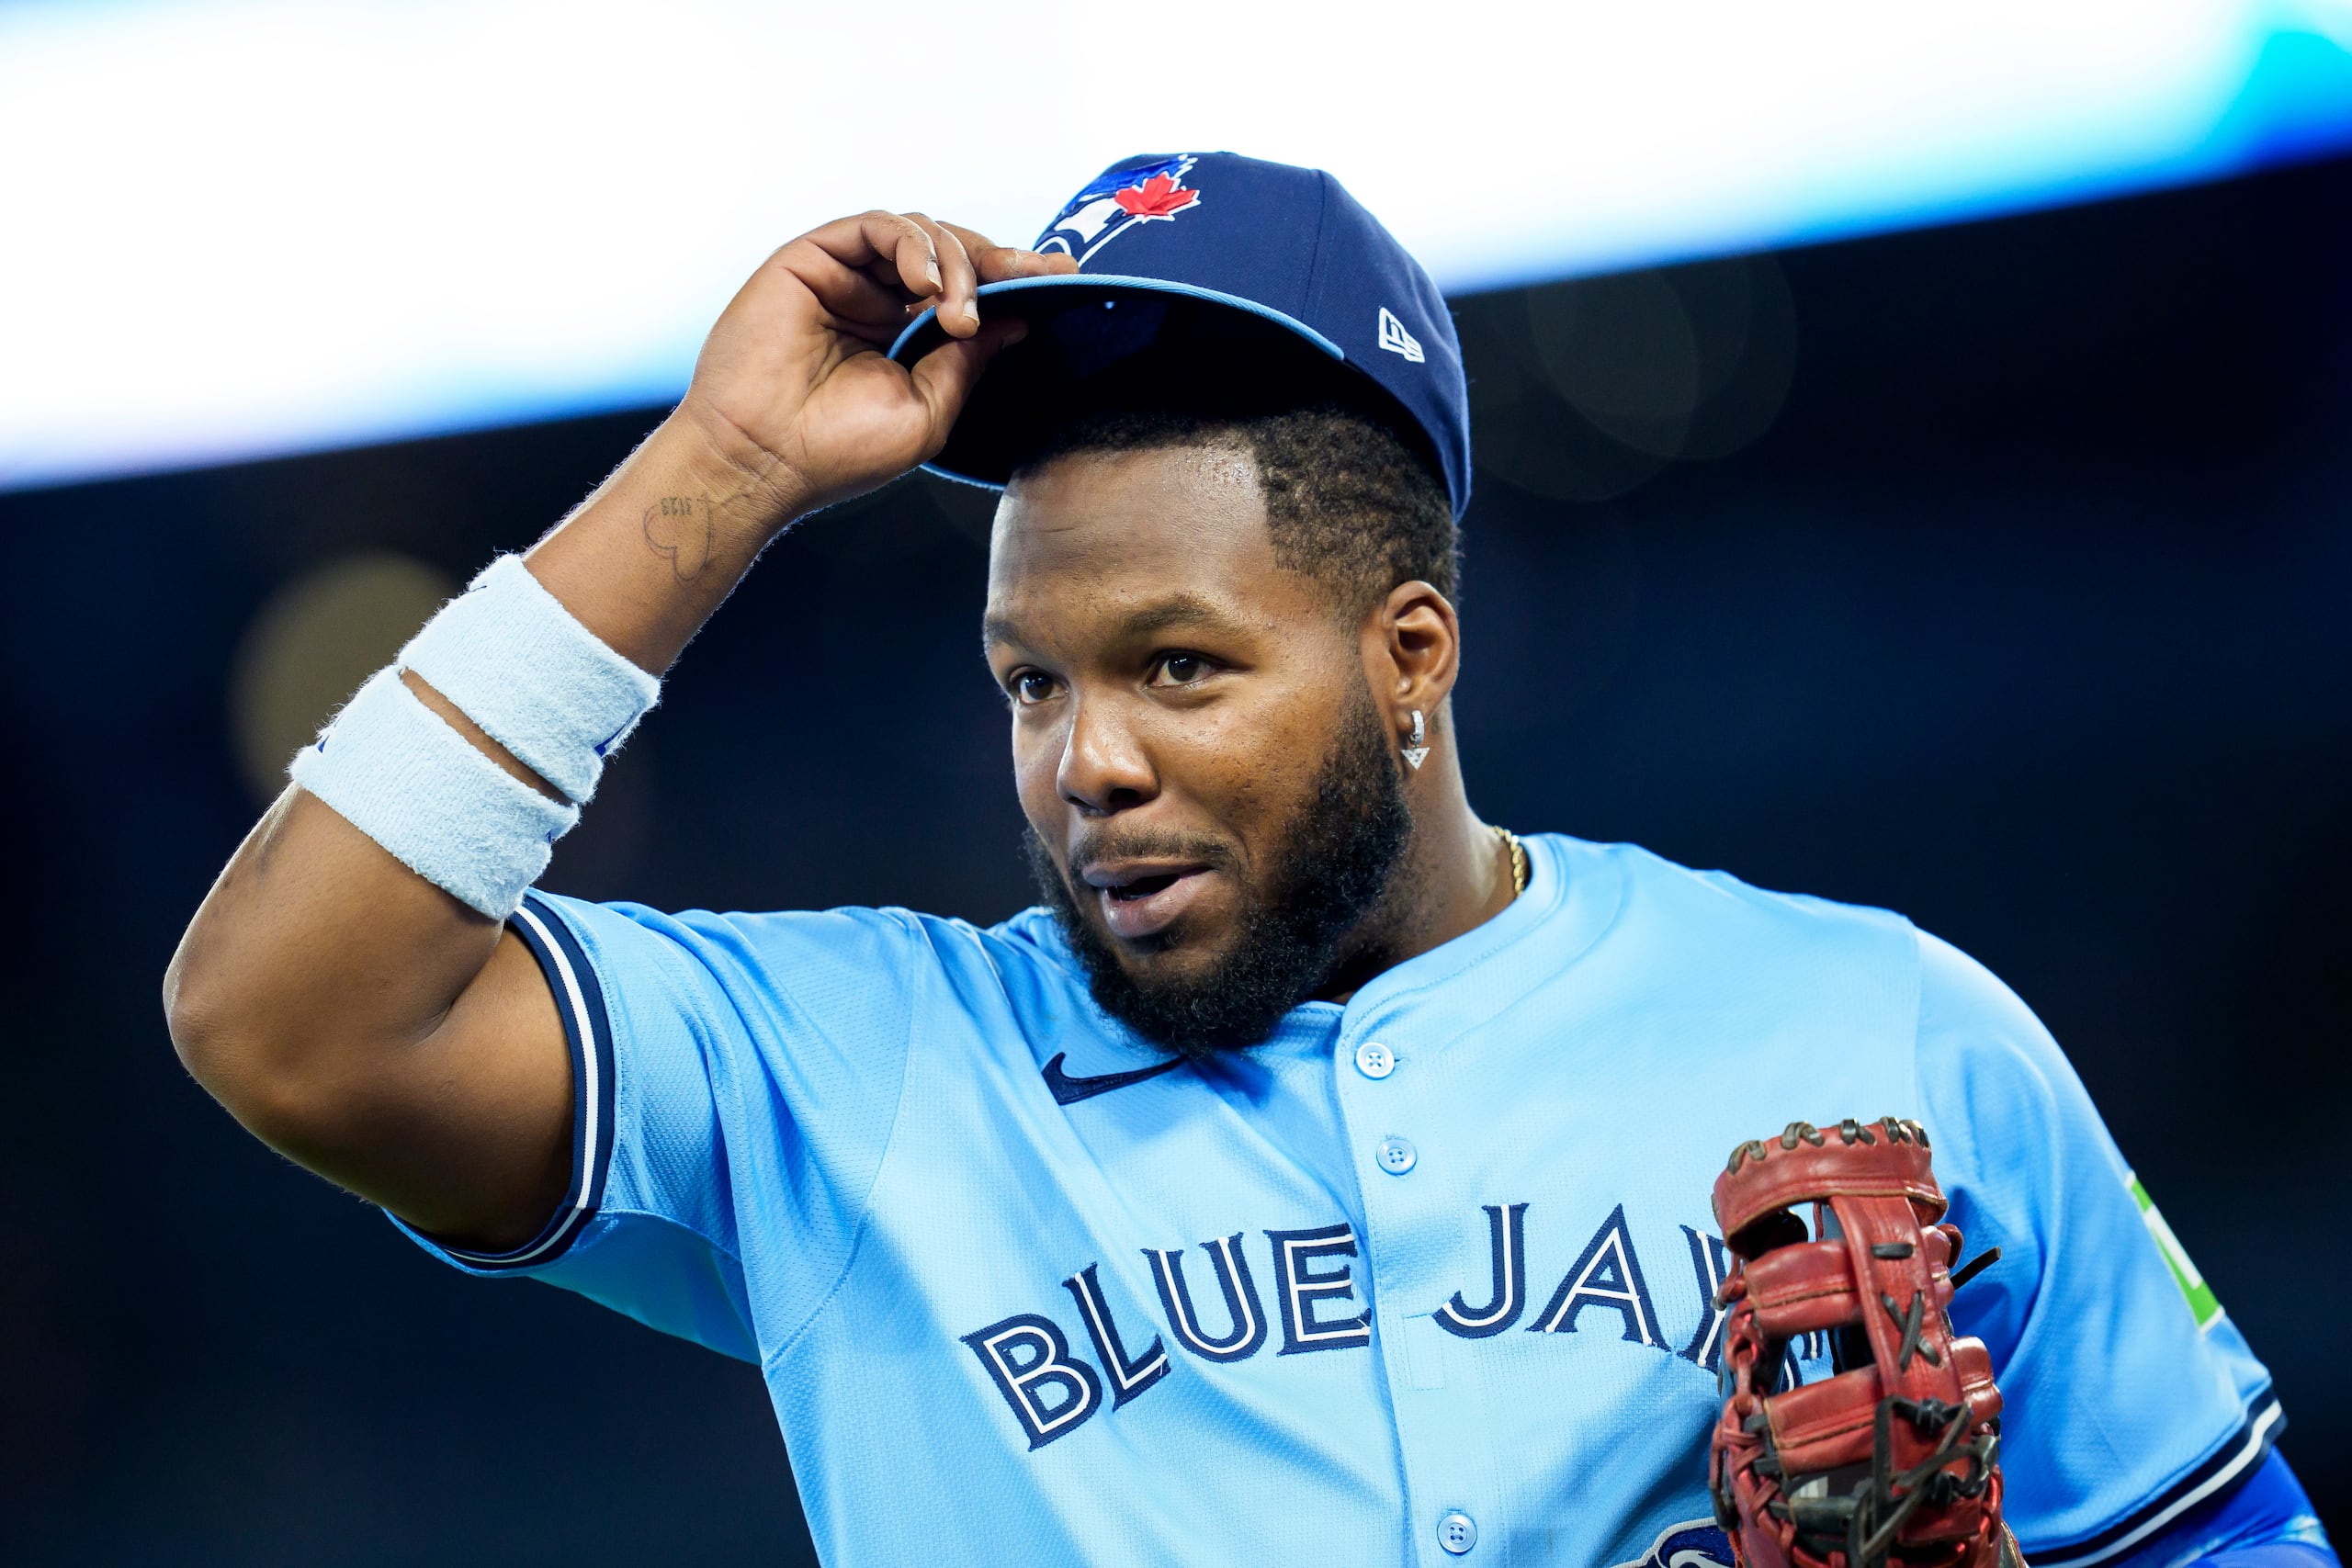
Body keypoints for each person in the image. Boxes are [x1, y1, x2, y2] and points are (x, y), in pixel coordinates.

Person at [165, 152, 2333, 1567]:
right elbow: (289, 1013)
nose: (1085, 759)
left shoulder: (1878, 1025)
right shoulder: (861, 1072)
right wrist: (723, 466)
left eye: (1178, 666)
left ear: (1411, 652)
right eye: (1028, 682)